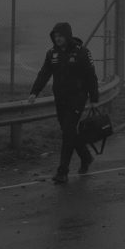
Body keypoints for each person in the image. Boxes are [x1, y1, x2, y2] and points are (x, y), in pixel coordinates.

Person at [27, 21, 100, 184]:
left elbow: (91, 77)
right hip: (60, 99)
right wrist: (34, 92)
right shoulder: (51, 53)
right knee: (69, 132)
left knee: (68, 132)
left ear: (67, 36)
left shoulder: (82, 52)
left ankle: (62, 171)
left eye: (60, 36)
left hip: (77, 98)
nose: (58, 39)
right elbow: (44, 73)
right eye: (55, 36)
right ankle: (86, 157)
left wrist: (94, 99)